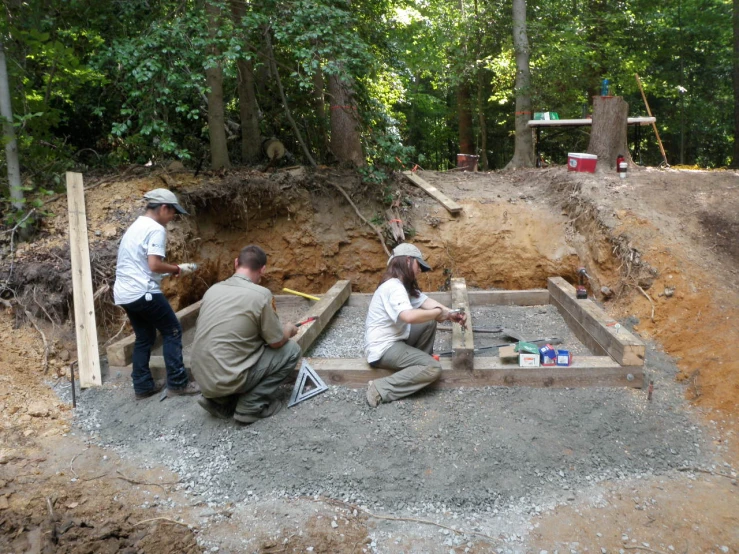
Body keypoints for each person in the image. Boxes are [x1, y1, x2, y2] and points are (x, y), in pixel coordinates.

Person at [191, 245, 301, 425]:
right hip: (229, 377)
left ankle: (219, 401)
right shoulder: (261, 294)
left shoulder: (213, 290)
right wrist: (288, 330)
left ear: (236, 263)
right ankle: (250, 406)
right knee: (291, 350)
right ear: (263, 269)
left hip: (202, 378)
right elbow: (276, 342)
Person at [114, 188, 201, 400]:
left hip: (125, 293)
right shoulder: (155, 229)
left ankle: (143, 387)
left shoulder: (136, 226)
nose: (172, 218)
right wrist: (176, 269)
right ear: (163, 208)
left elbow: (139, 265)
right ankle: (178, 383)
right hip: (143, 292)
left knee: (145, 336)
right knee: (172, 330)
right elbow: (153, 265)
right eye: (172, 213)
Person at [364, 243, 467, 407]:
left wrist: (450, 313)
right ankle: (379, 389)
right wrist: (436, 313)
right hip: (383, 349)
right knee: (433, 368)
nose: (420, 270)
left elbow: (426, 302)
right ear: (407, 261)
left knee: (428, 322)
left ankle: (415, 371)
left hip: (394, 342)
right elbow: (409, 316)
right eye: (419, 265)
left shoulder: (402, 286)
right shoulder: (394, 287)